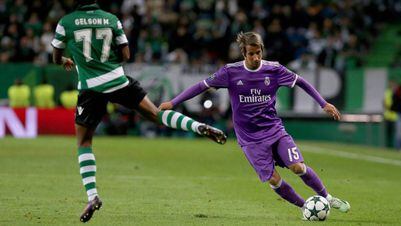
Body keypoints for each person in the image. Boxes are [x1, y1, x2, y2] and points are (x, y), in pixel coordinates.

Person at [51, 0, 227, 222]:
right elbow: (126, 55)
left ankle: (93, 196)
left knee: (84, 142)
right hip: (118, 79)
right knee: (155, 113)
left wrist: (67, 60)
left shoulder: (65, 22)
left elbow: (56, 57)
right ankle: (197, 125)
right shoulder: (111, 19)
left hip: (91, 88)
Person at [159, 32, 351, 217]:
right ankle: (305, 207)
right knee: (274, 180)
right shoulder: (230, 72)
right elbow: (201, 86)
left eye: (258, 52)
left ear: (262, 50)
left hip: (274, 130)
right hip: (250, 139)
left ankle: (328, 197)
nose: (256, 57)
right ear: (244, 53)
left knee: (298, 167)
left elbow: (301, 82)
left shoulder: (273, 69)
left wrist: (323, 103)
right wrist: (173, 103)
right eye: (251, 54)